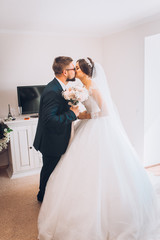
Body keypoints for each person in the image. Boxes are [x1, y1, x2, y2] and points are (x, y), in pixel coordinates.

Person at [37, 58, 160, 239]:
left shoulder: (93, 86)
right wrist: (79, 114)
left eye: (77, 68)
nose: (75, 70)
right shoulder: (80, 87)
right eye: (74, 68)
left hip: (100, 128)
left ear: (85, 71)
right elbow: (82, 112)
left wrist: (84, 115)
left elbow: (105, 111)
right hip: (87, 127)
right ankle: (47, 195)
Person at [33, 56, 79, 203]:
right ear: (65, 72)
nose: (75, 72)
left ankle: (48, 195)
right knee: (49, 171)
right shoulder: (53, 90)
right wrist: (72, 114)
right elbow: (49, 120)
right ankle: (43, 197)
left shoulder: (59, 87)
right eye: (73, 69)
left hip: (55, 138)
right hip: (51, 141)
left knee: (52, 170)